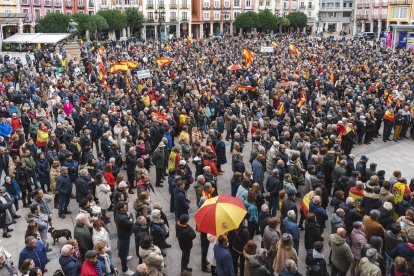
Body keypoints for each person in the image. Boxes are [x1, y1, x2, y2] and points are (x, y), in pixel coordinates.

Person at [115, 201, 135, 275]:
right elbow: (131, 223)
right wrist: (130, 217)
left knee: (122, 249)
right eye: (124, 206)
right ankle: (125, 269)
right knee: (124, 250)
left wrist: (127, 215)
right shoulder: (122, 218)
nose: (126, 206)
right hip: (124, 236)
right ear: (121, 209)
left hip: (121, 234)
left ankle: (123, 255)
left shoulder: (118, 213)